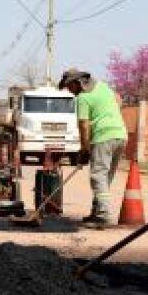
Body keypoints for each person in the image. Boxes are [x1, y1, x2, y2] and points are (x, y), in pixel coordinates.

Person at [58, 69, 128, 229]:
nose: (69, 90)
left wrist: (84, 149)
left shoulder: (82, 98)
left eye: (69, 87)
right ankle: (97, 212)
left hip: (103, 136)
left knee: (97, 176)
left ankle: (103, 215)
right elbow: (118, 100)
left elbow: (83, 125)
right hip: (121, 135)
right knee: (105, 177)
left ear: (77, 83)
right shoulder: (103, 87)